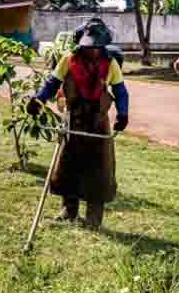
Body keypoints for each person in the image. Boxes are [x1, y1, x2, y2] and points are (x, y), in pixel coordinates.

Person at [27, 19, 129, 228]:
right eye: (89, 46)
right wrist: (38, 101)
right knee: (68, 165)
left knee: (99, 170)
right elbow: (51, 84)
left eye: (97, 47)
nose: (93, 51)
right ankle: (68, 210)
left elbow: (120, 91)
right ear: (81, 43)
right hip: (74, 120)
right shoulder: (68, 60)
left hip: (98, 123)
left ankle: (93, 218)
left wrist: (123, 115)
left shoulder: (111, 64)